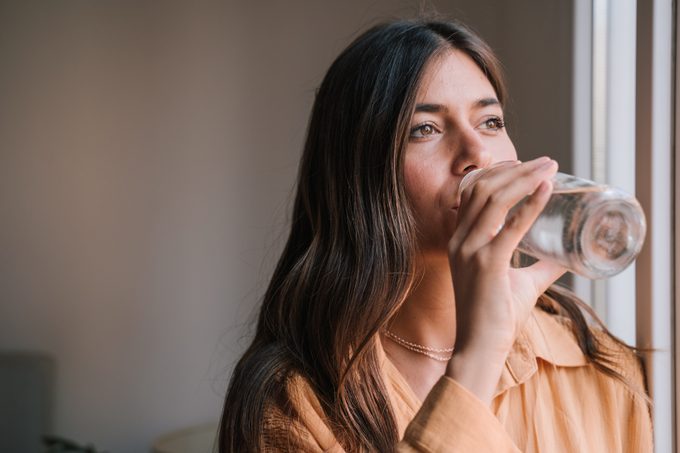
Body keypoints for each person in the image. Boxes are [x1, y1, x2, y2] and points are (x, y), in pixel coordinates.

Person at [219, 18, 653, 452]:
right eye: (424, 129)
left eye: (490, 121)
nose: (478, 153)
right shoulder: (291, 405)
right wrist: (477, 356)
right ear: (358, 174)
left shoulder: (593, 361)